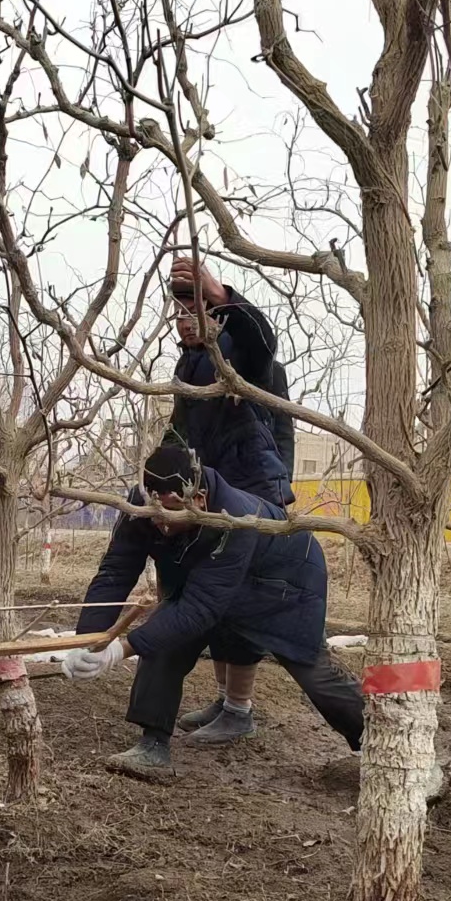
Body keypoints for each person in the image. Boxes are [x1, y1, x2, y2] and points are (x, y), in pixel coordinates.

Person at [62, 444, 363, 784]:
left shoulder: (234, 518)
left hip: (285, 582)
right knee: (167, 637)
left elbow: (200, 608)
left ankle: (378, 743)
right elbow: (114, 572)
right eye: (154, 512)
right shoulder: (141, 507)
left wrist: (120, 649)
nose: (160, 525)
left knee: (313, 671)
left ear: (199, 498)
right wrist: (86, 641)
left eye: (171, 513)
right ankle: (153, 744)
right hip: (216, 580)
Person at [166, 256, 296, 748]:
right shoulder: (191, 364)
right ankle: (225, 700)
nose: (183, 321)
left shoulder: (247, 357)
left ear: (217, 317)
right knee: (215, 602)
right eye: (178, 313)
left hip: (254, 497)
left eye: (194, 311)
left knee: (240, 602)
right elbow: (182, 427)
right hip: (213, 495)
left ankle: (240, 710)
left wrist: (222, 295)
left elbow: (263, 339)